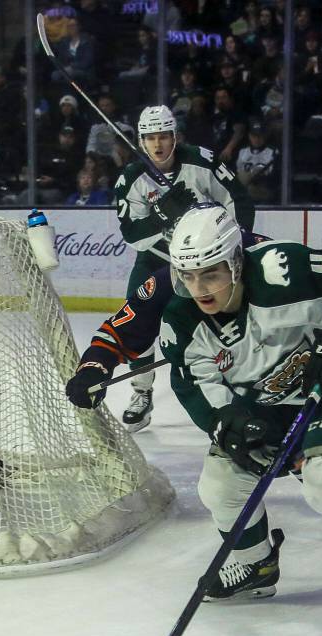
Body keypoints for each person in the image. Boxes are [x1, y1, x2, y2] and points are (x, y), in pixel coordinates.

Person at [64, 215, 322, 535]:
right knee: (282, 448)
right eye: (188, 270)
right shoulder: (173, 278)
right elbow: (124, 327)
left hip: (304, 350)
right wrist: (95, 364)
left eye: (209, 269)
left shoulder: (262, 256)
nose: (198, 280)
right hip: (254, 379)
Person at [160, 205, 322, 598]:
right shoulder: (182, 320)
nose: (199, 289)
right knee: (219, 485)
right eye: (188, 275)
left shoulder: (280, 270)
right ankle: (257, 564)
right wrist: (223, 420)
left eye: (211, 273)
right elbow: (193, 382)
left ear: (236, 262)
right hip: (267, 403)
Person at [110, 103, 255, 432]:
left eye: (164, 136)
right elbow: (132, 236)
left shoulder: (202, 162)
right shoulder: (131, 179)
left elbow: (239, 200)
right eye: (150, 138)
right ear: (141, 141)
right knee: (137, 323)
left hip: (206, 260)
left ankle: (240, 379)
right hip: (157, 260)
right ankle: (141, 392)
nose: (158, 144)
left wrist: (234, 242)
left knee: (227, 319)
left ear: (175, 136)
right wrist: (163, 217)